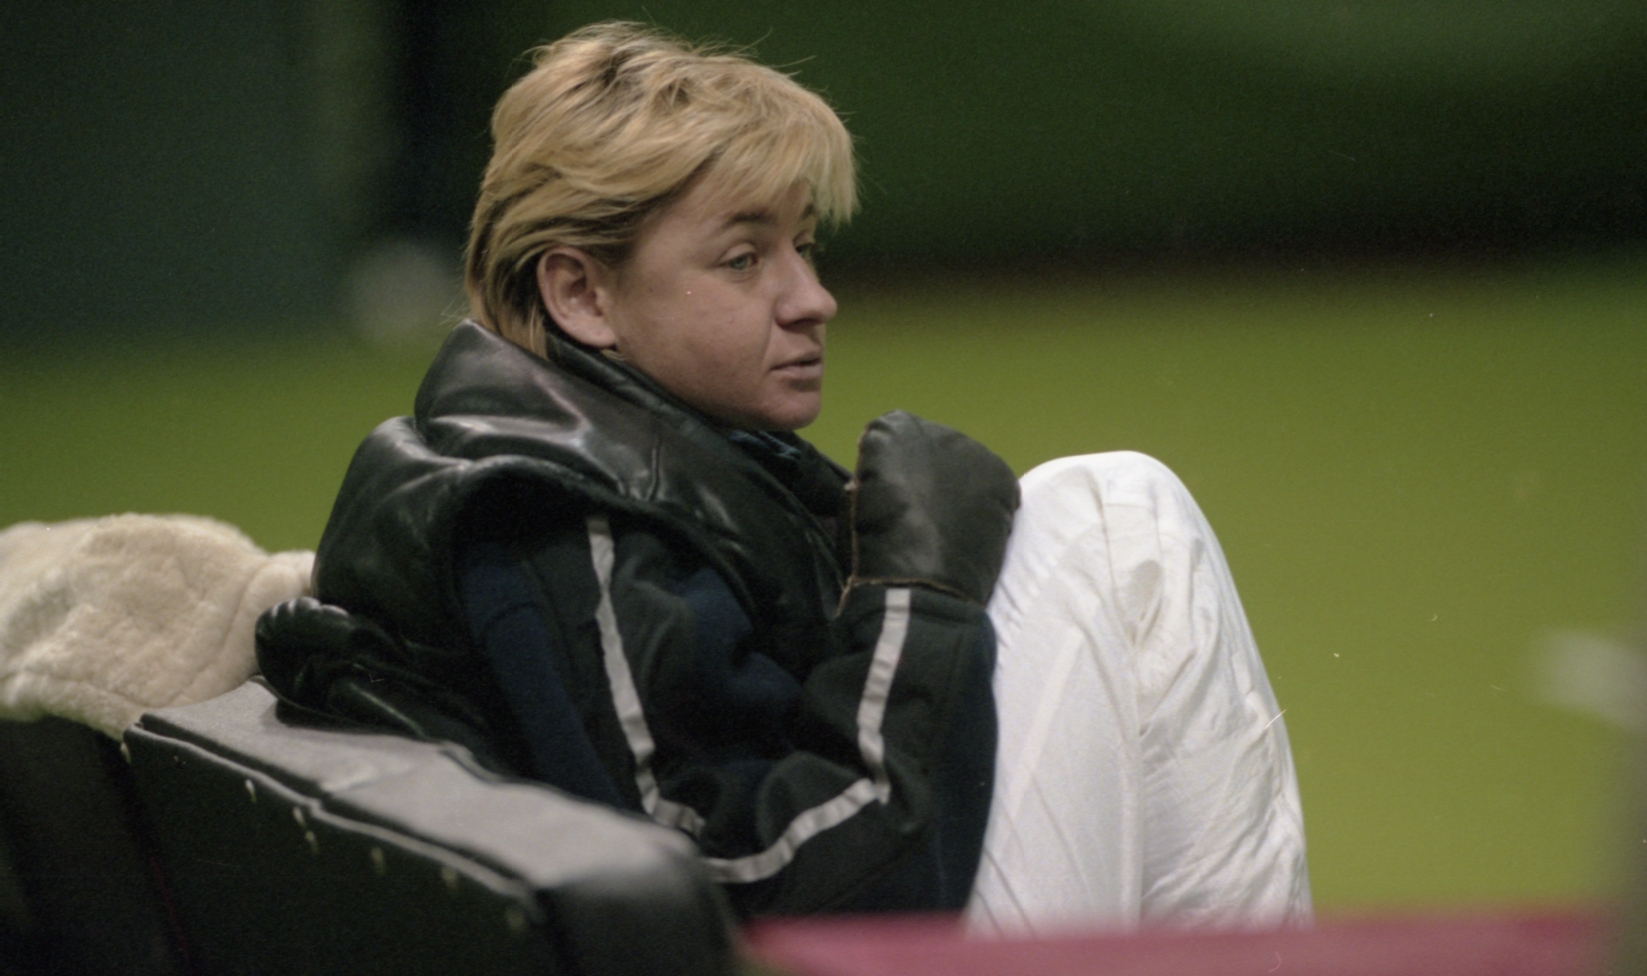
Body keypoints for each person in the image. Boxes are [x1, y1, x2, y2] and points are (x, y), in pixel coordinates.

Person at [256, 22, 1310, 931]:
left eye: (803, 246)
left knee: (1104, 509)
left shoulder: (583, 474)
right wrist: (917, 603)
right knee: (1113, 514)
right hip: (817, 944)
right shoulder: (554, 523)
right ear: (581, 294)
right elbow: (751, 898)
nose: (812, 298)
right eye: (743, 258)